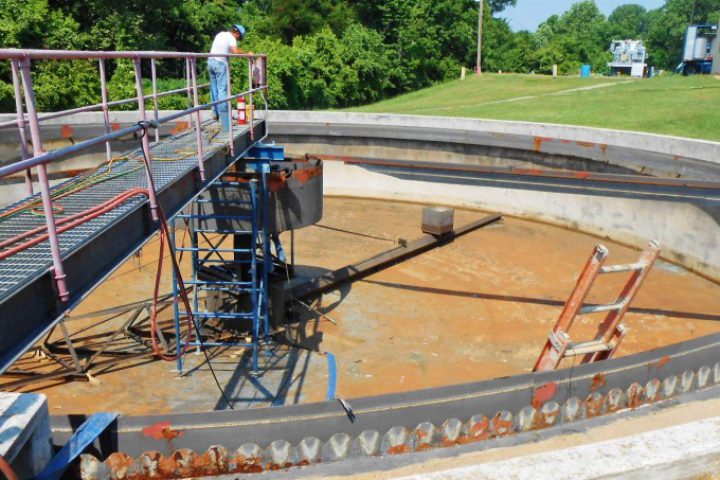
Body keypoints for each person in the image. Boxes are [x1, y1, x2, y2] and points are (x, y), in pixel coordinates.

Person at [208, 24, 252, 129]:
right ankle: (225, 119)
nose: (238, 39)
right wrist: (247, 54)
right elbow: (235, 51)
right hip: (219, 64)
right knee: (222, 90)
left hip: (210, 62)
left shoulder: (221, 34)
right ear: (236, 33)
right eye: (239, 37)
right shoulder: (231, 38)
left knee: (214, 90)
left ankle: (215, 114)